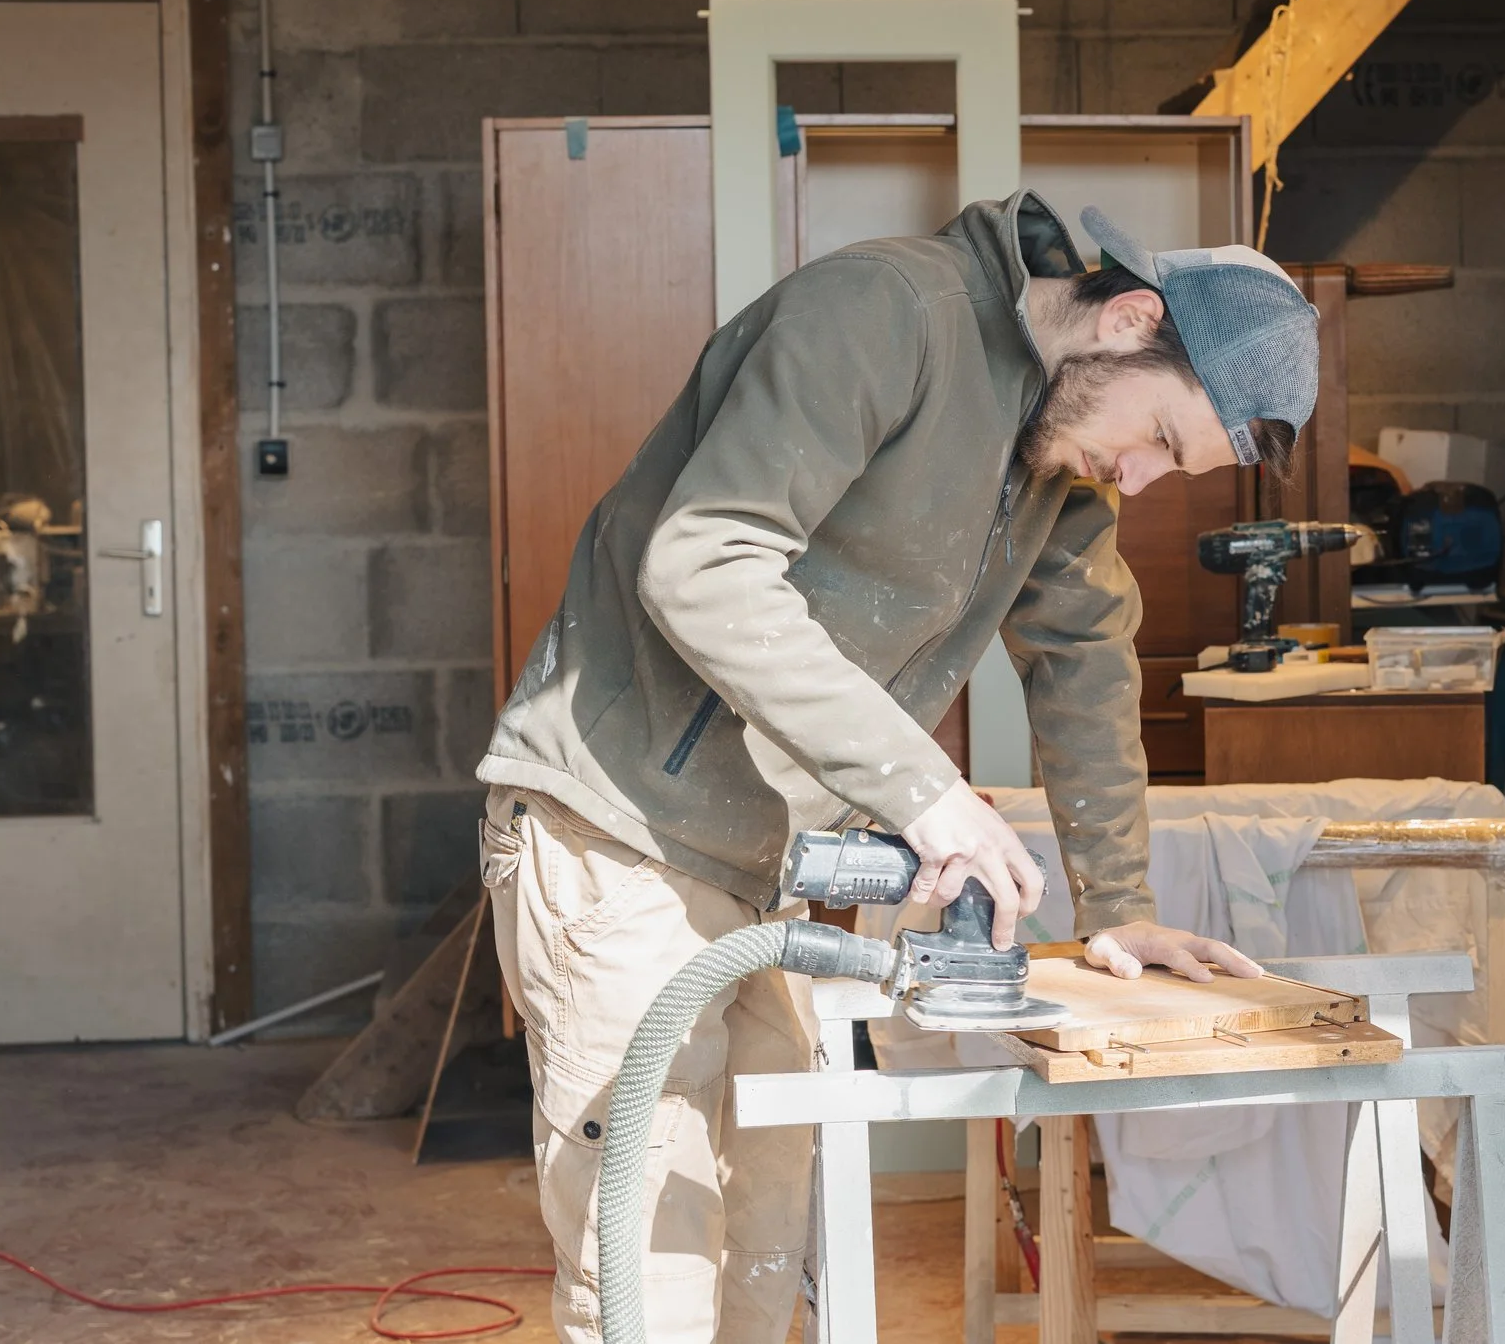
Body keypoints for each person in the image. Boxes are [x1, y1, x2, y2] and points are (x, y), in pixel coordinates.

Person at [475, 190, 1322, 1343]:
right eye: (1162, 441)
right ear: (1127, 320)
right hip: (614, 831)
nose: (1140, 481)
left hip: (753, 871)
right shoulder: (885, 313)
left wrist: (1121, 909)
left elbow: (1083, 659)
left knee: (766, 1238)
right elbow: (703, 564)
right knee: (653, 1262)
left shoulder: (1058, 446)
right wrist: (924, 793)